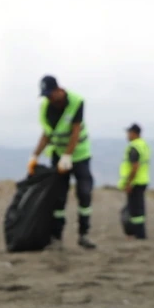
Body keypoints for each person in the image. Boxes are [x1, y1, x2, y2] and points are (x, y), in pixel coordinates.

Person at [28, 75, 96, 250]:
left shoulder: (76, 102)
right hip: (58, 155)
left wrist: (68, 156)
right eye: (46, 96)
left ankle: (84, 234)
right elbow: (47, 134)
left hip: (80, 155)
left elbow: (75, 131)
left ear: (59, 90)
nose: (49, 99)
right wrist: (35, 155)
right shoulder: (46, 108)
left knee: (84, 193)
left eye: (51, 94)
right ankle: (56, 237)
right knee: (58, 196)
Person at [119, 123, 151, 240]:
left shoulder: (134, 147)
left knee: (134, 210)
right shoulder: (144, 145)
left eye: (129, 133)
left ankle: (138, 234)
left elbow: (135, 166)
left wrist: (128, 183)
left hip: (135, 182)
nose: (127, 135)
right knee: (139, 209)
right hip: (143, 180)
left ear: (134, 133)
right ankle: (139, 233)